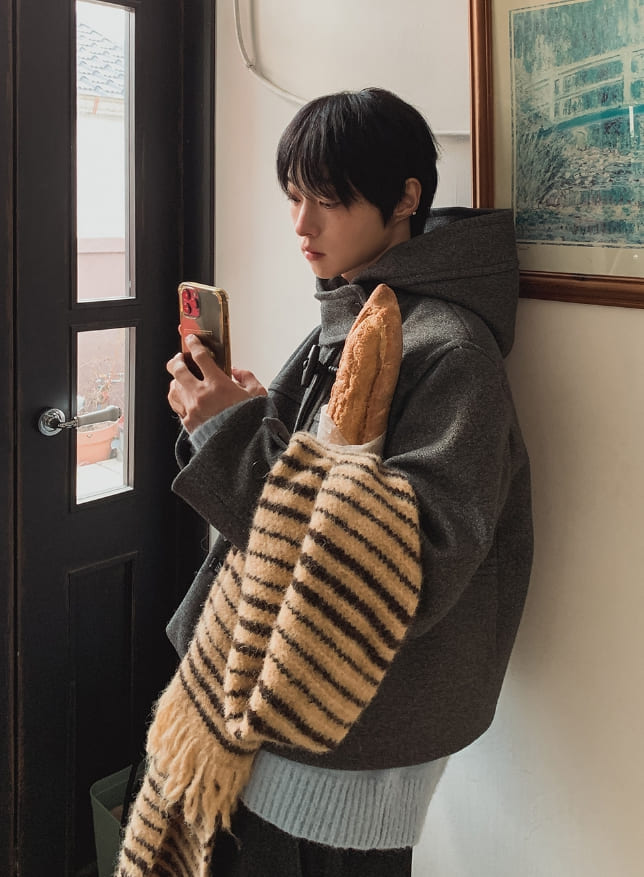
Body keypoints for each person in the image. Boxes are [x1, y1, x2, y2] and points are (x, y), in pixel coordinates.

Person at [161, 87, 532, 876]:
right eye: (293, 197)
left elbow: (403, 568)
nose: (302, 225)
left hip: (344, 734)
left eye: (327, 201)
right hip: (282, 709)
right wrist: (247, 419)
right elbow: (313, 494)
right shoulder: (352, 319)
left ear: (406, 198)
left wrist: (230, 437)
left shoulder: (448, 348)